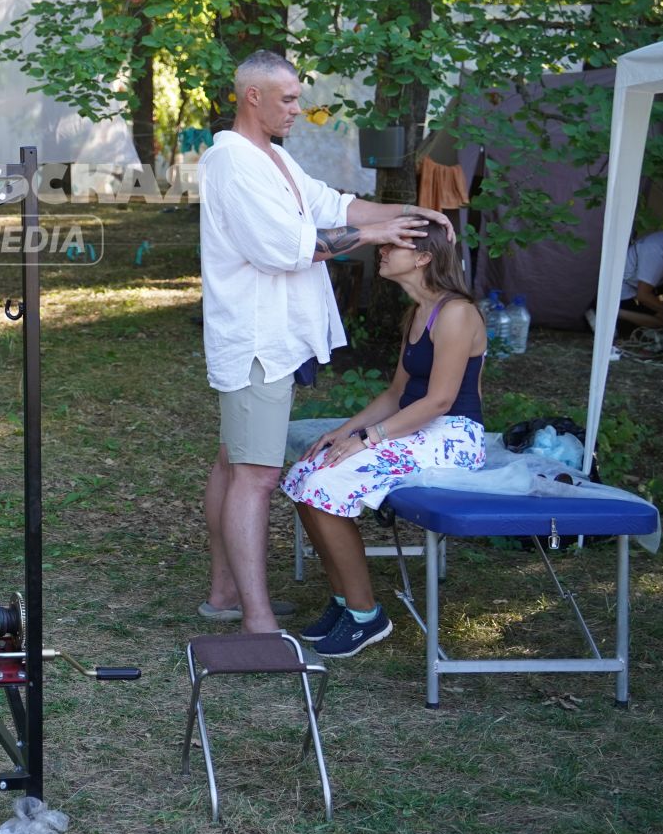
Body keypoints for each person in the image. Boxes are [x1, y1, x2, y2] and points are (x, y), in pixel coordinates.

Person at [198, 50, 448, 635]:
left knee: (235, 460)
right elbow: (286, 249)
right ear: (251, 97)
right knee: (256, 475)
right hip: (257, 340)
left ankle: (225, 591)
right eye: (286, 98)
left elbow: (334, 205)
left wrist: (409, 211)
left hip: (272, 338)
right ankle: (256, 621)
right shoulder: (232, 162)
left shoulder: (273, 158)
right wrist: (375, 234)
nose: (296, 108)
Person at [282, 231, 488, 657]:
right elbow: (397, 393)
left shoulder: (457, 313)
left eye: (395, 247)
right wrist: (345, 431)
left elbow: (440, 400)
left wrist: (368, 439)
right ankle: (343, 599)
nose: (384, 250)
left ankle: (366, 614)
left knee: (326, 485)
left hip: (454, 435)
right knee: (306, 474)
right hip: (416, 428)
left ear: (424, 258)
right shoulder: (419, 312)